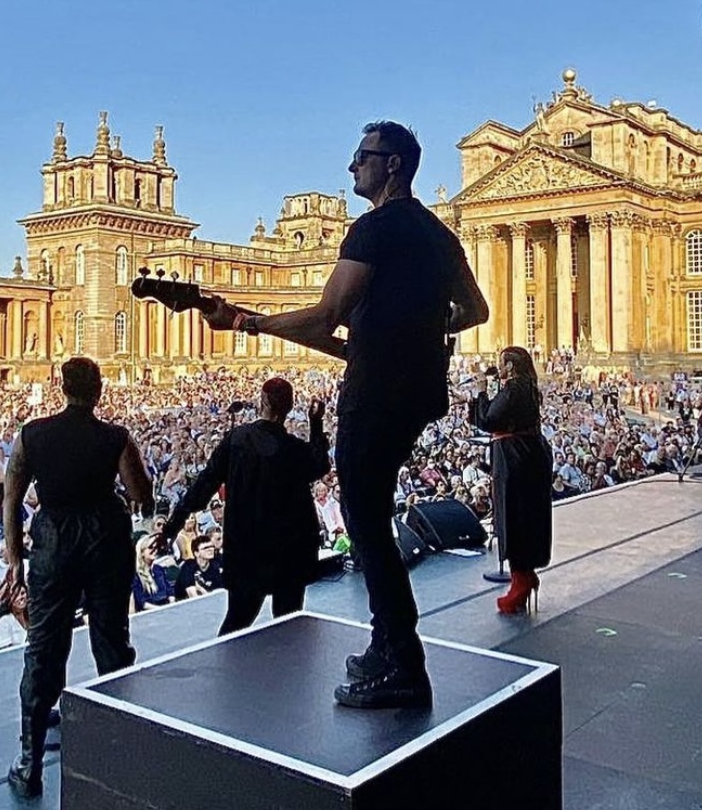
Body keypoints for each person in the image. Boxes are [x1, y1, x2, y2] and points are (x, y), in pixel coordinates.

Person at [200, 121, 487, 708]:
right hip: (419, 392)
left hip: (375, 395)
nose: (353, 167)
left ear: (394, 166)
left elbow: (326, 314)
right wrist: (422, 331)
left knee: (368, 527)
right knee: (372, 520)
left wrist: (248, 322)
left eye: (364, 157)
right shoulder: (440, 234)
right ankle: (386, 644)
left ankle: (404, 663)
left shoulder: (373, 229)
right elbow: (475, 310)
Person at [3, 356, 153, 799]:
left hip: (53, 540)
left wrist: (14, 558)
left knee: (45, 647)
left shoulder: (31, 435)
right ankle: (118, 748)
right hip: (104, 537)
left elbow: (11, 499)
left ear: (61, 387)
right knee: (111, 641)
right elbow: (141, 493)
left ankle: (30, 763)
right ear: (98, 390)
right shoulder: (116, 437)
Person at [165, 378, 329, 634]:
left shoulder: (237, 440)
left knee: (236, 624)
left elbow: (203, 486)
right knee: (289, 627)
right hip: (289, 553)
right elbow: (320, 465)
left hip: (247, 551)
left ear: (261, 402)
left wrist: (171, 528)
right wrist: (316, 424)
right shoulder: (294, 450)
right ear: (289, 407)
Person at [469, 347, 553, 614]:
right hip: (527, 454)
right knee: (526, 516)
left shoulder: (514, 389)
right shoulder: (525, 386)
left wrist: (481, 391)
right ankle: (524, 575)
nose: (498, 367)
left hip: (515, 459)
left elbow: (489, 420)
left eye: (500, 363)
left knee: (514, 515)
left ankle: (522, 579)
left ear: (510, 367)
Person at [131, 534, 173, 611]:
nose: (155, 550)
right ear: (142, 552)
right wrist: (161, 610)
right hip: (151, 611)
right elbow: (142, 602)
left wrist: (172, 605)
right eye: (150, 548)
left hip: (167, 608)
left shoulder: (159, 569)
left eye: (155, 547)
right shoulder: (136, 575)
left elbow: (170, 591)